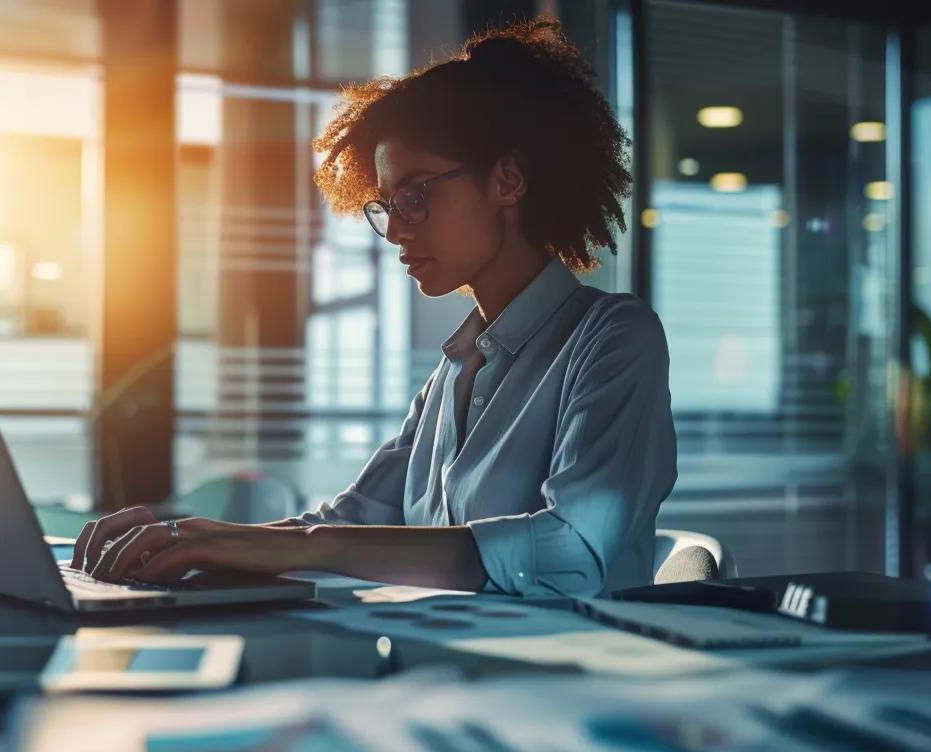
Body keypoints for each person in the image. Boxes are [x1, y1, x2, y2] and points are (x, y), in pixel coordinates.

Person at [71, 16, 677, 597]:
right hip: (446, 656)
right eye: (387, 206)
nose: (396, 232)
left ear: (508, 180)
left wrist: (304, 545)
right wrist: (197, 541)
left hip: (572, 662)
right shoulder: (457, 369)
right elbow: (353, 521)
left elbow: (575, 551)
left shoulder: (614, 337)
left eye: (416, 197)